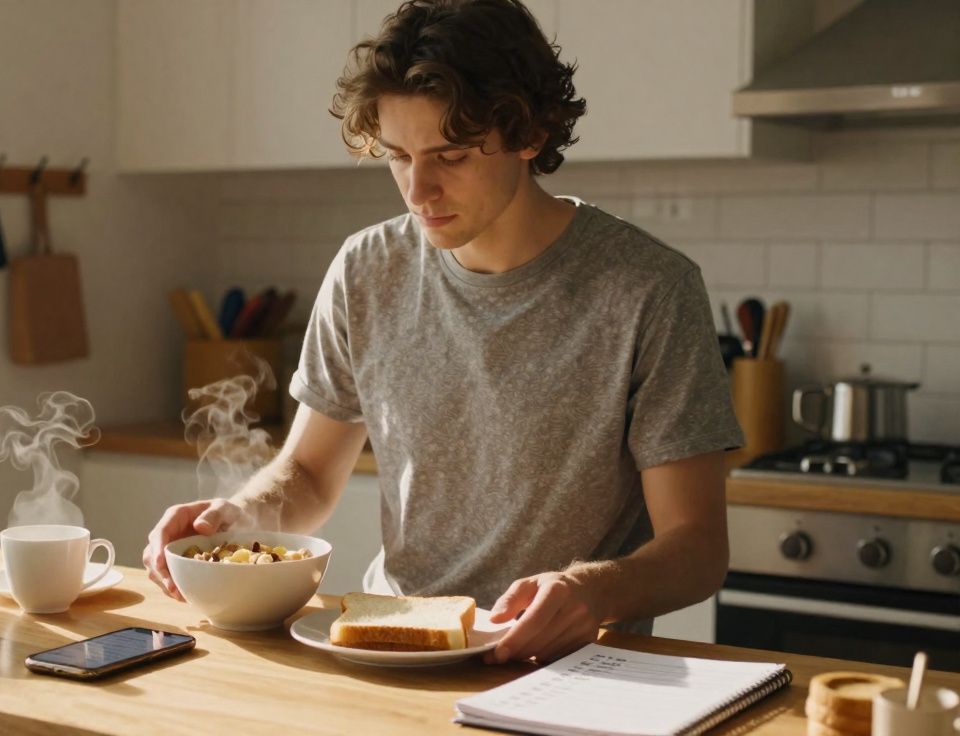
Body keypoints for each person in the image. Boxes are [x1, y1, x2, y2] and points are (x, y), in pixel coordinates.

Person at [142, 0, 742, 665]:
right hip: (387, 649)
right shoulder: (367, 270)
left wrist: (590, 590)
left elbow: (697, 547)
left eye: (450, 156)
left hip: (567, 666)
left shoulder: (649, 290)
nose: (418, 189)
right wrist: (237, 519)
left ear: (530, 134)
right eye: (398, 156)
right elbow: (309, 474)